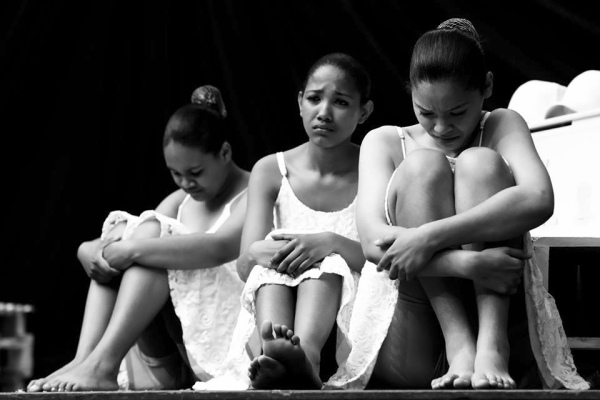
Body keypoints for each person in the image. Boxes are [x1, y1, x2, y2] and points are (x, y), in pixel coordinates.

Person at [325, 19, 589, 391]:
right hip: (413, 327)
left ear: (487, 87)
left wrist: (429, 236)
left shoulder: (501, 125)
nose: (440, 128)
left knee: (480, 163)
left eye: (457, 113)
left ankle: (491, 345)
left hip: (499, 318)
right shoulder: (383, 141)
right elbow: (372, 242)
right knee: (422, 166)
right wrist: (467, 264)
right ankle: (458, 342)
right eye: (426, 113)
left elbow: (539, 198)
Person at [26, 85, 251, 392]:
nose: (186, 183)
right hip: (172, 346)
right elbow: (138, 235)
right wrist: (90, 249)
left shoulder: (254, 191)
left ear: (225, 153)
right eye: (175, 174)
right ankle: (85, 360)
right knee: (140, 234)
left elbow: (219, 248)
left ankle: (102, 366)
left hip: (221, 341)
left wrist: (129, 249)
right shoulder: (179, 201)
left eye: (195, 172)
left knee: (147, 245)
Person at [195, 52, 374, 391]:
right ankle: (275, 354)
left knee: (328, 262)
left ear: (363, 111)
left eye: (340, 102)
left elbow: (381, 259)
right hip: (274, 310)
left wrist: (330, 243)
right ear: (299, 102)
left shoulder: (373, 167)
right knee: (271, 266)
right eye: (314, 98)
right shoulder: (271, 170)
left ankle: (306, 355)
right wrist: (267, 252)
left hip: (345, 324)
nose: (324, 112)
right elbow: (246, 265)